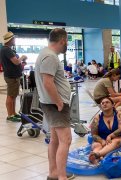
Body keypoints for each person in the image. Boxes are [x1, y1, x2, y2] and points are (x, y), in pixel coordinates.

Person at [35, 28, 74, 180]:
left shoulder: (46, 53)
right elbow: (48, 82)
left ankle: (54, 174)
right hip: (55, 105)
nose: (67, 45)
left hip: (50, 104)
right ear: (62, 40)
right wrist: (59, 102)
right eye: (67, 42)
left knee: (55, 140)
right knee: (66, 140)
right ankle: (62, 177)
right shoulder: (50, 56)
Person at [89, 96, 121, 164]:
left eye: (107, 102)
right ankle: (94, 157)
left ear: (112, 105)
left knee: (115, 141)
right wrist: (101, 140)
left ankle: (97, 155)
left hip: (116, 138)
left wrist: (110, 136)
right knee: (97, 145)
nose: (104, 104)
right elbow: (94, 134)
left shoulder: (119, 114)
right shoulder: (97, 118)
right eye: (102, 103)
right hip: (102, 139)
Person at [0, 31, 27, 122]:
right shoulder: (6, 49)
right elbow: (16, 62)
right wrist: (22, 57)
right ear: (10, 40)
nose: (15, 40)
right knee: (10, 96)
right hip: (12, 77)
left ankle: (13, 113)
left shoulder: (8, 49)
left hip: (14, 76)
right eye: (14, 38)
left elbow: (15, 63)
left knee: (14, 96)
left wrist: (21, 64)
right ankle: (10, 115)